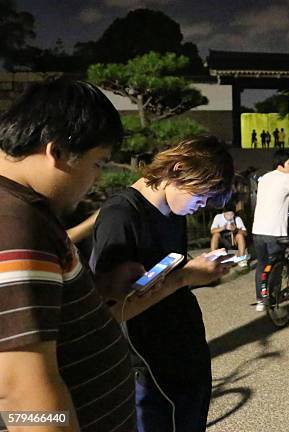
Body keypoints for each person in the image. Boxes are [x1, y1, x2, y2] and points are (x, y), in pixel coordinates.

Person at [0, 78, 139, 431]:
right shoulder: (15, 223)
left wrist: (100, 289)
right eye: (97, 163)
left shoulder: (25, 209)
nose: (96, 177)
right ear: (57, 151)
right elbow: (19, 391)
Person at [90, 136, 233, 432]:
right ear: (177, 170)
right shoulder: (120, 215)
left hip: (184, 350)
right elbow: (110, 311)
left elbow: (169, 273)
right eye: (201, 195)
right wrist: (185, 277)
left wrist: (199, 271)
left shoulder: (173, 210)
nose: (202, 205)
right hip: (148, 362)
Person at [252, 149, 289, 311]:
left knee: (263, 265)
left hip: (258, 230)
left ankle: (261, 299)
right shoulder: (288, 178)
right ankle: (274, 296)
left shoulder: (264, 178)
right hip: (275, 231)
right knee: (276, 265)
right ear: (281, 164)